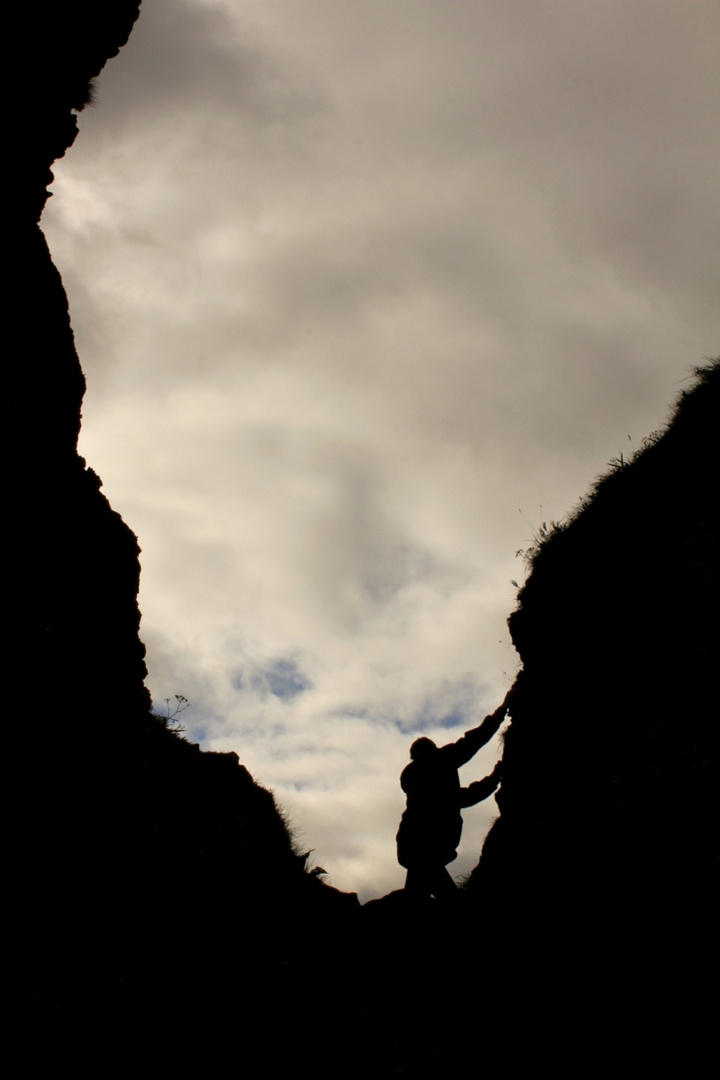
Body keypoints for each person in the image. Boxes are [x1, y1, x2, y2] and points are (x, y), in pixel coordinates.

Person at [395, 695, 510, 900]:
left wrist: (493, 779)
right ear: (434, 751)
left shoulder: (416, 782)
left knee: (415, 898)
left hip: (412, 845)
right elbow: (473, 743)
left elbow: (456, 797)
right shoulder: (437, 762)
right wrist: (501, 712)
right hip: (427, 849)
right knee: (449, 902)